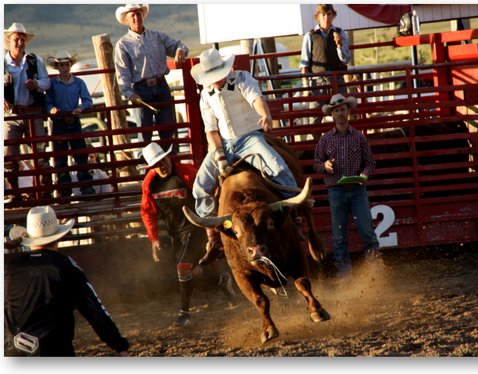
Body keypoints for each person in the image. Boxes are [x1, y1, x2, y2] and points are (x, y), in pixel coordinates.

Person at [189, 47, 298, 264]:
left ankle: (294, 213)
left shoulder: (241, 79)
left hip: (250, 137)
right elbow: (211, 130)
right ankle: (213, 238)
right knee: (200, 186)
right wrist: (219, 156)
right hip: (224, 144)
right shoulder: (205, 95)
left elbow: (256, 98)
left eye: (218, 75)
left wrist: (265, 116)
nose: (216, 80)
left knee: (276, 166)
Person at [4, 205, 129, 356]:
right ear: (58, 237)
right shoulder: (64, 266)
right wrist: (119, 344)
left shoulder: (9, 268)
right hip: (54, 352)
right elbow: (93, 309)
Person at [139, 142, 237, 326]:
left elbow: (207, 191)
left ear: (169, 157)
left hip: (195, 226)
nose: (163, 165)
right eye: (157, 163)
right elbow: (147, 212)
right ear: (151, 167)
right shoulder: (149, 184)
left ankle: (184, 314)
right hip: (176, 233)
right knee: (194, 271)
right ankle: (222, 281)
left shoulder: (186, 172)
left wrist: (210, 224)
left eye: (164, 160)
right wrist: (154, 239)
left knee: (183, 268)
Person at [313, 94, 380, 277]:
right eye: (336, 111)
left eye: (343, 109)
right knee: (339, 235)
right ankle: (345, 276)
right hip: (336, 191)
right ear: (332, 115)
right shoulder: (325, 139)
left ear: (348, 112)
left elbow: (370, 163)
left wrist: (365, 174)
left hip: (357, 189)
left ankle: (375, 270)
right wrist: (325, 166)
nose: (340, 114)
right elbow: (316, 163)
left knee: (367, 231)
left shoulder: (359, 137)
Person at [114, 4, 189, 152]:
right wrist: (129, 93)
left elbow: (179, 45)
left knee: (168, 130)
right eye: (132, 15)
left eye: (138, 14)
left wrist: (180, 50)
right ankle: (147, 170)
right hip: (141, 91)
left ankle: (172, 168)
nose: (136, 18)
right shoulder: (123, 45)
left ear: (143, 15)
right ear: (127, 20)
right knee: (144, 134)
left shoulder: (158, 36)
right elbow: (122, 72)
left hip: (161, 86)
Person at [4, 22, 51, 198]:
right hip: (12, 113)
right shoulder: (2, 63)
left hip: (33, 110)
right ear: (9, 41)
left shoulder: (34, 60)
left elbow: (47, 82)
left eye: (22, 40)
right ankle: (14, 192)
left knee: (39, 153)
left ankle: (45, 191)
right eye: (17, 39)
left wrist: (37, 84)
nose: (20, 43)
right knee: (9, 154)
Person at [45, 50, 95, 197]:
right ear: (57, 67)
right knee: (61, 158)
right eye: (61, 65)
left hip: (73, 121)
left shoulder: (78, 82)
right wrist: (51, 109)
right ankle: (65, 189)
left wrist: (81, 107)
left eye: (66, 64)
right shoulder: (52, 84)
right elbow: (47, 102)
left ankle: (85, 186)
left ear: (70, 65)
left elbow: (88, 100)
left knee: (80, 155)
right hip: (60, 121)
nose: (64, 68)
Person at [300, 4, 351, 126]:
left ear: (333, 15)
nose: (326, 17)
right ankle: (314, 144)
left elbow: (345, 60)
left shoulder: (340, 33)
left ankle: (342, 143)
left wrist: (339, 46)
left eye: (329, 14)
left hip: (337, 80)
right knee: (315, 119)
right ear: (318, 16)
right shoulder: (310, 36)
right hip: (318, 82)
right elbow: (304, 63)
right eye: (323, 14)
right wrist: (306, 87)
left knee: (342, 115)